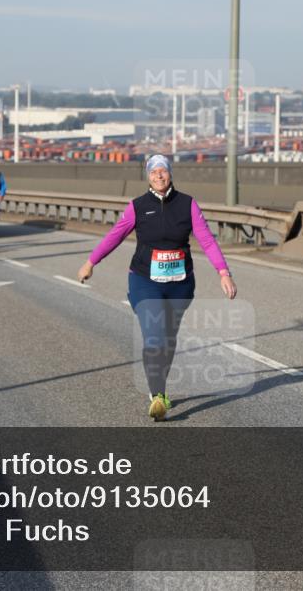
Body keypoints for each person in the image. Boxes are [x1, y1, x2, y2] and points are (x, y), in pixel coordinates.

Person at [77, 154, 237, 421]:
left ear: (170, 174)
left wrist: (223, 272)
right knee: (154, 336)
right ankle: (158, 396)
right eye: (154, 172)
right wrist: (91, 262)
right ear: (148, 176)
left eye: (163, 171)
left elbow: (207, 240)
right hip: (144, 281)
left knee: (168, 338)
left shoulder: (187, 204)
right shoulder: (137, 206)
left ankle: (158, 382)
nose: (159, 176)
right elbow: (115, 235)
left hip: (180, 284)